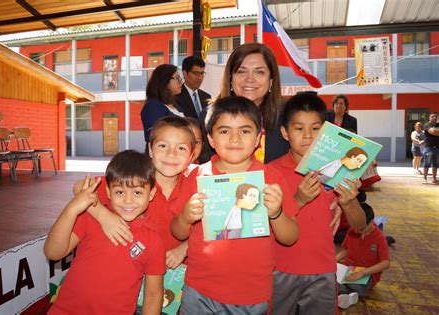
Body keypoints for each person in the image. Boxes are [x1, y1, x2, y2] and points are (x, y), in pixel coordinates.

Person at [171, 96, 299, 314]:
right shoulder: (197, 176)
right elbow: (177, 231)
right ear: (210, 138)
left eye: (245, 131)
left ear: (258, 137)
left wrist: (276, 213)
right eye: (224, 131)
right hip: (199, 290)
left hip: (250, 294)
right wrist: (185, 217)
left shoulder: (271, 178)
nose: (235, 138)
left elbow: (290, 237)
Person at [269, 92, 366, 314]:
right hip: (279, 270)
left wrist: (349, 203)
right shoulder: (270, 172)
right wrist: (299, 200)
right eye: (298, 128)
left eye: (315, 128)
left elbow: (360, 226)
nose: (307, 136)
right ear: (285, 133)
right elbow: (264, 224)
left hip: (322, 270)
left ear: (326, 133)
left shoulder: (337, 171)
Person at [45, 150, 165, 314]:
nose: (128, 200)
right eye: (119, 192)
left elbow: (153, 295)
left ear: (151, 194)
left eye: (137, 192)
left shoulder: (153, 239)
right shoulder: (91, 217)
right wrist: (72, 209)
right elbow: (53, 252)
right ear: (108, 192)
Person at [80, 116, 196, 271]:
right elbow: (80, 187)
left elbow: (214, 227)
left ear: (192, 156)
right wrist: (104, 217)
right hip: (134, 271)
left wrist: (184, 248)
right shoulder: (137, 179)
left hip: (178, 275)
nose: (171, 154)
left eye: (181, 148)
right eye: (162, 146)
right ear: (150, 149)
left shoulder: (196, 183)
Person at [198, 42, 289, 164]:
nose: (249, 79)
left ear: (271, 81)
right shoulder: (209, 115)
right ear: (231, 78)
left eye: (259, 72)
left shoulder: (288, 116)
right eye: (241, 71)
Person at [336, 203, 390, 309]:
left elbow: (386, 263)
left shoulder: (379, 237)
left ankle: (346, 294)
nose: (357, 231)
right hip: (349, 270)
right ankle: (345, 295)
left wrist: (362, 273)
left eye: (361, 229)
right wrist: (333, 260)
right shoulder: (352, 231)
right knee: (332, 279)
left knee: (356, 286)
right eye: (355, 227)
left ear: (371, 222)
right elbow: (345, 250)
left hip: (368, 273)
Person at [141, 64, 184, 153]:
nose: (181, 82)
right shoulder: (152, 107)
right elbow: (156, 137)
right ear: (165, 81)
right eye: (177, 78)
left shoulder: (177, 105)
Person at [422, 113, 439, 184]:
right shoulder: (427, 125)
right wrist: (435, 131)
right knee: (427, 164)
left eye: (436, 116)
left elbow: (435, 132)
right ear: (429, 118)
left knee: (436, 164)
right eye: (432, 116)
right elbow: (433, 132)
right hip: (429, 148)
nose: (434, 118)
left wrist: (436, 131)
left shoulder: (438, 125)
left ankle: (434, 179)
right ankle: (425, 179)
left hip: (437, 148)